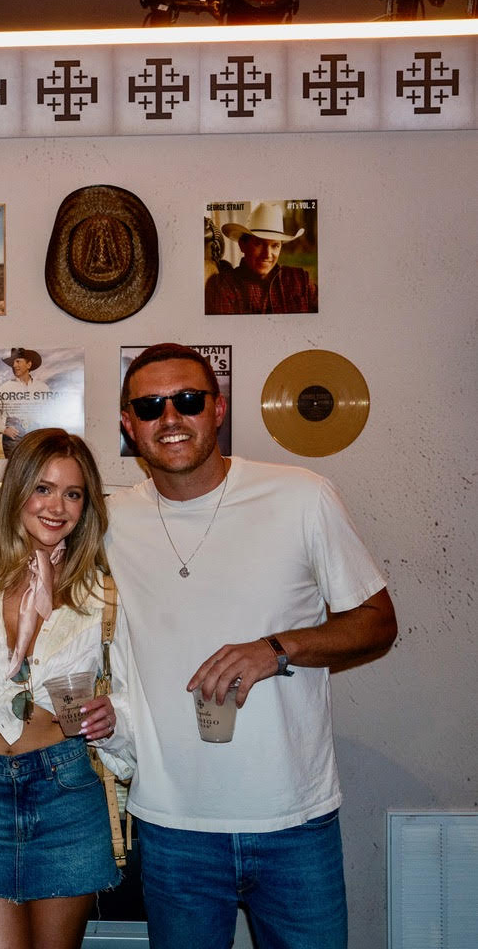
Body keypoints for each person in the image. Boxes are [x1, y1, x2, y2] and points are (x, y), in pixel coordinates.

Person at [109, 343, 397, 949]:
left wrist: (277, 648)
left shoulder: (301, 496)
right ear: (128, 423)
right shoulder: (109, 521)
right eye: (151, 404)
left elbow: (377, 622)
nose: (171, 417)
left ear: (218, 409)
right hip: (170, 822)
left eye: (188, 400)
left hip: (294, 819)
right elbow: (22, 547)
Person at [0, 427, 132, 949]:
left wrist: (114, 715)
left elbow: (137, 687)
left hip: (65, 788)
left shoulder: (104, 593)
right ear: (16, 491)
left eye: (73, 493)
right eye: (42, 488)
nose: (57, 506)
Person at [205, 201, 317, 314]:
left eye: (275, 245)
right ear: (242, 245)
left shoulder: (301, 280)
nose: (267, 254)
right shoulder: (225, 287)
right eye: (258, 244)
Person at [0, 348, 51, 458]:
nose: (14, 365)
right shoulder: (3, 389)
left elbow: (50, 414)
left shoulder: (43, 388)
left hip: (36, 436)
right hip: (13, 438)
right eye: (12, 363)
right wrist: (4, 429)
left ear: (29, 364)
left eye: (18, 361)